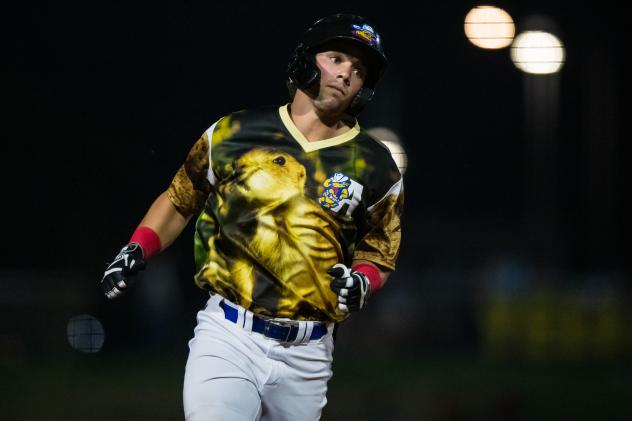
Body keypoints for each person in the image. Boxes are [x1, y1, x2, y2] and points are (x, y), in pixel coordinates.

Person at [100, 13, 404, 421]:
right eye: (337, 58)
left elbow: (379, 253)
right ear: (305, 61)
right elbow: (180, 199)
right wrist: (137, 247)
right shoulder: (234, 132)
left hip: (309, 354)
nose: (348, 73)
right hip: (229, 334)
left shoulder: (377, 165)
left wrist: (362, 282)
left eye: (359, 69)